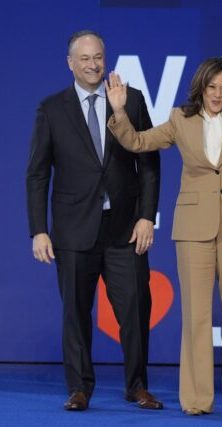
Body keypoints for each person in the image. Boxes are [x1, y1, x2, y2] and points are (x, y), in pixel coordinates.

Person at [105, 32, 222, 416]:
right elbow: (138, 142)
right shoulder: (180, 119)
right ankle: (196, 400)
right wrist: (120, 111)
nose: (218, 93)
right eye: (213, 86)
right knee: (195, 316)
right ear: (201, 86)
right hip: (194, 226)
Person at [26, 30, 162, 411]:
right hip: (73, 230)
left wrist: (146, 217)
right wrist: (39, 229)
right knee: (75, 313)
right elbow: (37, 173)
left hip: (124, 229)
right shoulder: (51, 109)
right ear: (71, 63)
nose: (93, 64)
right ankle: (80, 388)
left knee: (136, 310)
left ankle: (137, 386)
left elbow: (149, 164)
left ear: (106, 59)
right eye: (84, 58)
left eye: (98, 56)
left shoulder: (130, 101)